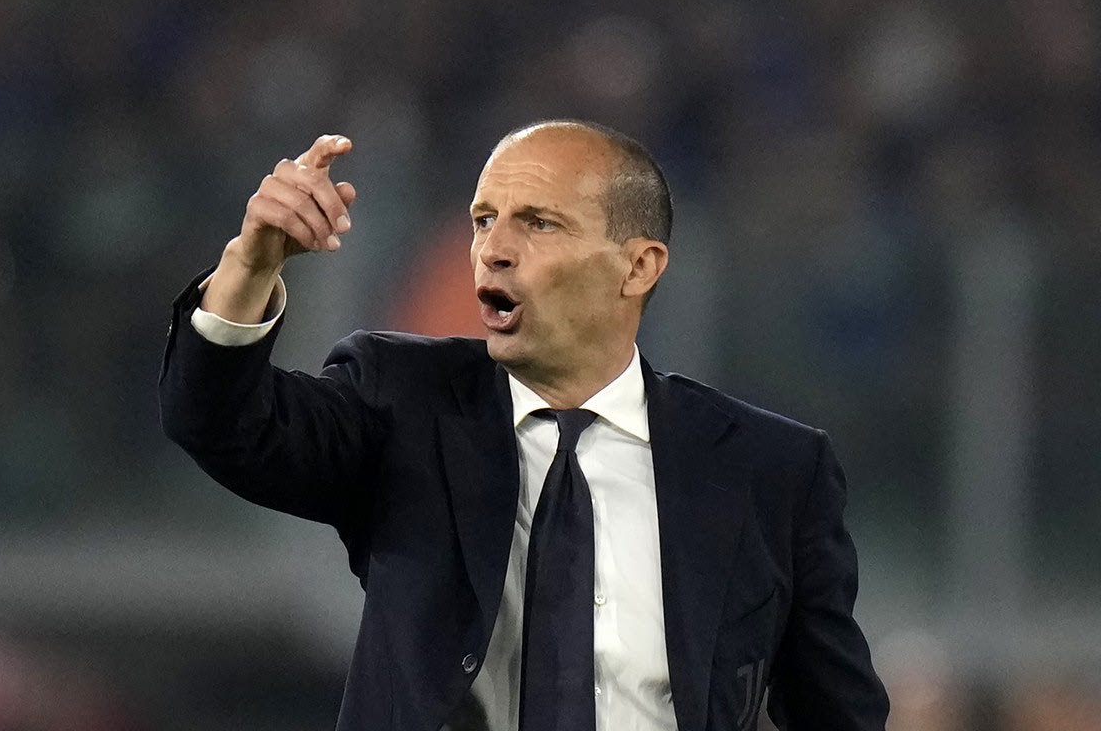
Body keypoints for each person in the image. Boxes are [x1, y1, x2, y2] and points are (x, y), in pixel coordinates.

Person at [159, 120, 890, 731]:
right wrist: (250, 264)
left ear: (638, 267)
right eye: (484, 220)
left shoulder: (770, 469)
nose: (493, 249)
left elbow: (838, 713)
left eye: (539, 223)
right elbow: (220, 423)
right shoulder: (402, 402)